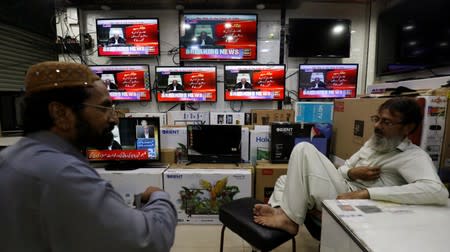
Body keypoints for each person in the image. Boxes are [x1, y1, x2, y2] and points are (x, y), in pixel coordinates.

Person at [0, 61, 177, 252]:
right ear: (60, 113)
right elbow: (147, 241)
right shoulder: (63, 174)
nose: (114, 118)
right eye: (104, 108)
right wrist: (159, 198)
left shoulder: (9, 158)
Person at [253, 97, 449, 235]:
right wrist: (353, 172)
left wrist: (367, 193)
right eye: (377, 119)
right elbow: (342, 171)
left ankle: (289, 220)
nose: (378, 126)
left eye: (386, 122)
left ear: (408, 128)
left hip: (354, 203)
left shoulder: (412, 156)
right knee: (285, 179)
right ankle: (280, 210)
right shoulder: (374, 143)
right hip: (344, 188)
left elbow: (436, 191)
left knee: (303, 148)